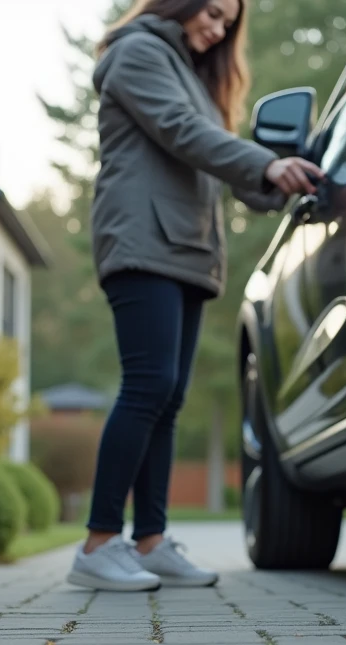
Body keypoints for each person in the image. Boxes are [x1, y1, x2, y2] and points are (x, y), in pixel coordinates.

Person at [66, 0, 323, 592]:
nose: (217, 28)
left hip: (184, 247)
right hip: (142, 239)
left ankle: (151, 541)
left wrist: (282, 175)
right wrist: (265, 165)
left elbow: (212, 161)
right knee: (147, 385)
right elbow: (185, 133)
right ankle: (98, 544)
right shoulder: (138, 52)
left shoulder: (190, 73)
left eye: (227, 23)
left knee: (168, 397)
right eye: (211, 12)